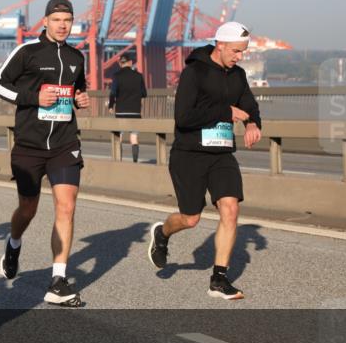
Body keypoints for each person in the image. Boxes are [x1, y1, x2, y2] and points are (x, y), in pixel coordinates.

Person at [147, 22, 262, 300]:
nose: (239, 57)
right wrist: (225, 111)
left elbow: (249, 106)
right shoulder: (194, 72)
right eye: (236, 51)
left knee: (230, 209)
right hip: (190, 155)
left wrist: (252, 123)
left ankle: (219, 280)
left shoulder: (238, 75)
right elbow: (183, 118)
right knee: (190, 219)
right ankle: (162, 234)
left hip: (221, 154)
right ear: (220, 45)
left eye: (243, 52)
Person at [0, 0, 90, 307]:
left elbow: (77, 89)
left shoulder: (76, 56)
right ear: (45, 21)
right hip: (29, 146)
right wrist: (34, 97)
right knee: (28, 209)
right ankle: (14, 242)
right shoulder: (27, 52)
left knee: (66, 205)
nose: (63, 25)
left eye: (68, 20)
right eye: (57, 20)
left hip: (64, 143)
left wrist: (80, 99)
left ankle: (58, 279)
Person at [108, 52, 147, 163]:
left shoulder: (117, 76)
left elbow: (113, 93)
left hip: (121, 112)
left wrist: (111, 106)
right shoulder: (138, 76)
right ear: (130, 62)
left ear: (121, 63)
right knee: (134, 138)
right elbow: (144, 93)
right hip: (135, 111)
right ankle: (135, 162)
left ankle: (119, 161)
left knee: (119, 137)